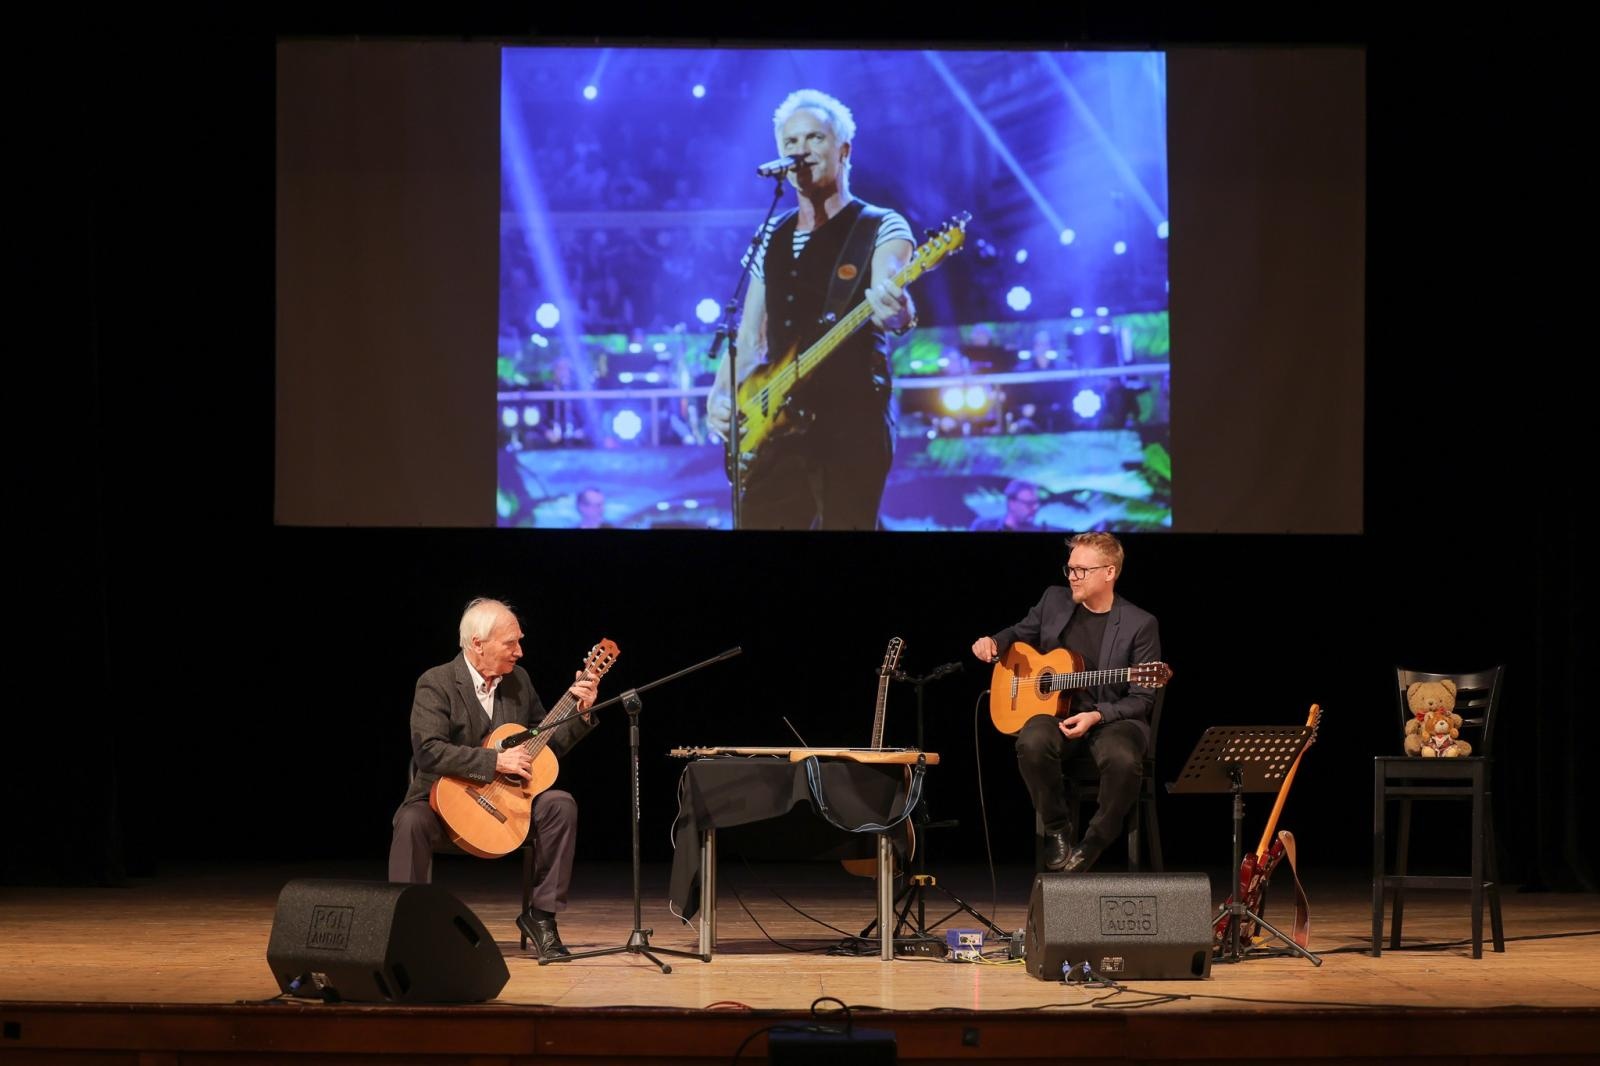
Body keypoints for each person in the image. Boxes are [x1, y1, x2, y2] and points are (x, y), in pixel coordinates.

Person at [706, 89, 916, 530]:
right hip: (778, 424)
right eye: (791, 143)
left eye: (815, 138)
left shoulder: (880, 224)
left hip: (850, 419)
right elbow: (748, 338)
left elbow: (891, 287)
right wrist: (719, 396)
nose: (801, 150)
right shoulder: (770, 235)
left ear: (843, 149)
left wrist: (896, 310)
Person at [389, 598, 598, 959]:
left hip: (506, 807)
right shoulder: (436, 683)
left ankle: (542, 917)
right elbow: (429, 750)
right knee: (410, 821)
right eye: (510, 643)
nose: (520, 651)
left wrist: (580, 712)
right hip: (442, 806)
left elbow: (542, 747)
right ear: (477, 644)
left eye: (519, 641)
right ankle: (407, 927)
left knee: (560, 804)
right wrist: (495, 760)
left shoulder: (518, 682)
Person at [970, 533, 1161, 872]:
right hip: (1055, 714)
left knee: (1123, 759)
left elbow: (1142, 699)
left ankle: (1094, 842)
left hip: (1111, 719)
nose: (1072, 577)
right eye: (1070, 569)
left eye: (1081, 570)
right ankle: (1058, 830)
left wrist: (1097, 716)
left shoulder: (1139, 624)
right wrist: (994, 642)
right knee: (1031, 741)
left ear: (1109, 572)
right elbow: (1018, 633)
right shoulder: (1054, 601)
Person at [969, 479, 1044, 531]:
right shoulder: (983, 526)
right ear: (1012, 503)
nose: (1035, 508)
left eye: (1036, 503)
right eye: (1029, 503)